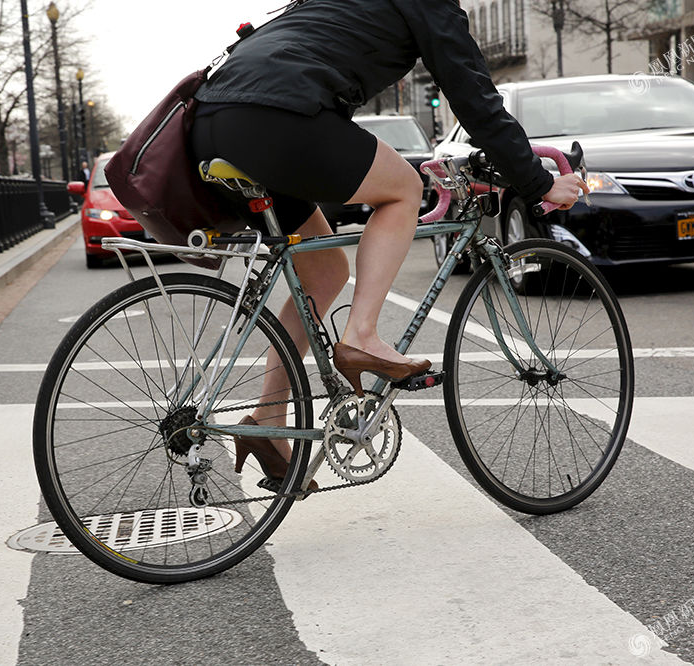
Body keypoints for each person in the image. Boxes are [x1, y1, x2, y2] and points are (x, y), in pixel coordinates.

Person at [189, 0, 590, 485]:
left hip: (212, 120)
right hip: (280, 115)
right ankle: (360, 336)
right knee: (402, 189)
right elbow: (474, 95)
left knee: (325, 269)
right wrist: (538, 182)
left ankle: (268, 421)